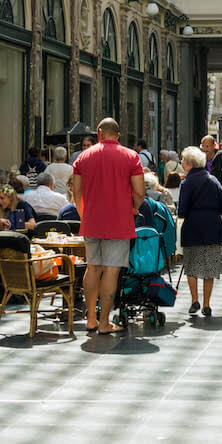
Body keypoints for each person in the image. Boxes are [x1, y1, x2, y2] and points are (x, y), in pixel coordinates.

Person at [72, 117, 145, 334]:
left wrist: (84, 214)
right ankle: (104, 322)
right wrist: (133, 206)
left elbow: (76, 193)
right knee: (111, 271)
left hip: (92, 220)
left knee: (93, 267)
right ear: (118, 135)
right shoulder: (131, 156)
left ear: (99, 133)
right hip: (119, 221)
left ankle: (91, 319)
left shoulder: (83, 157)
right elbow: (140, 192)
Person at [178, 146, 222, 317]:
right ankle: (207, 303)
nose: (182, 163)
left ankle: (195, 300)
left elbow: (182, 211)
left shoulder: (186, 183)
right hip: (213, 226)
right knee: (209, 267)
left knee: (192, 266)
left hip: (193, 226)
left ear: (190, 164)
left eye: (183, 161)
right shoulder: (213, 180)